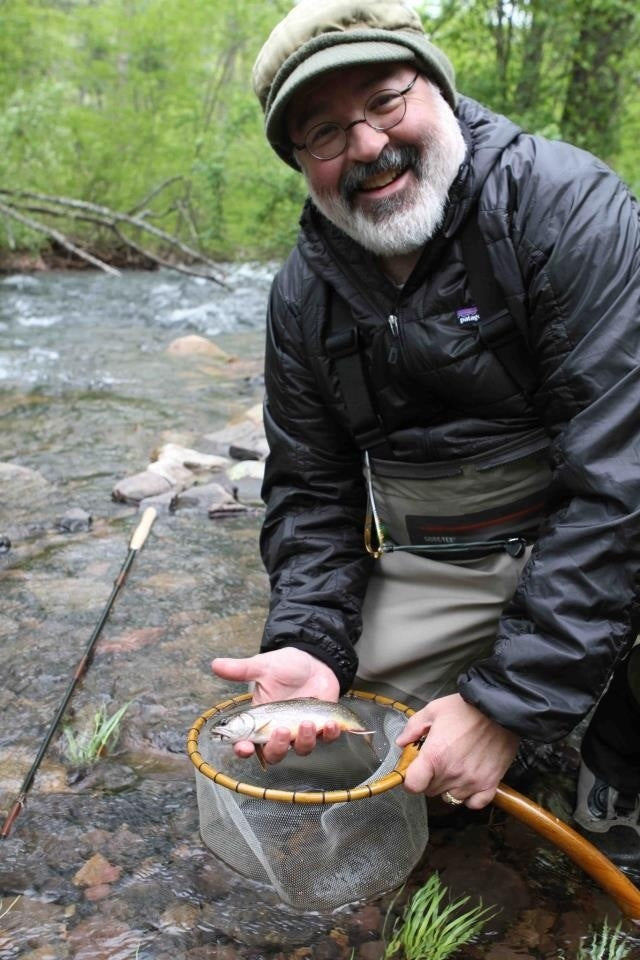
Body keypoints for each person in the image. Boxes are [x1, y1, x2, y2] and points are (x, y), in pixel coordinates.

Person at [212, 0, 640, 865]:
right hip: (444, 559)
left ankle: (617, 770)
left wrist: (506, 707)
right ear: (301, 162)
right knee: (328, 762)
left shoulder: (566, 206)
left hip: (596, 522)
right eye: (326, 133)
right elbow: (310, 493)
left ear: (438, 87)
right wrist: (308, 639)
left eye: (383, 100)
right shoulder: (303, 293)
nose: (366, 146)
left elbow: (621, 478)